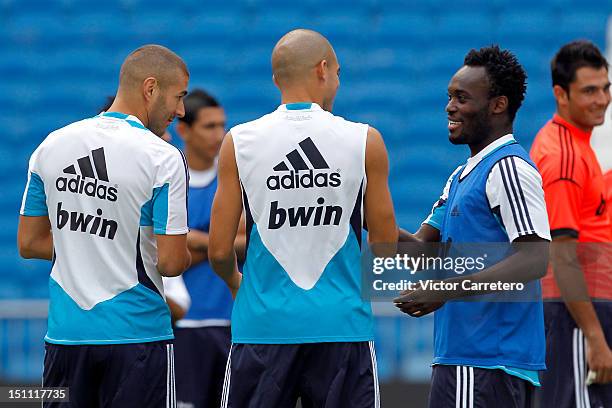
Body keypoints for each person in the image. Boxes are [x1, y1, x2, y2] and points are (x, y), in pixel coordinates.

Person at [208, 29, 398, 408]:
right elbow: (384, 248)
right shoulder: (364, 140)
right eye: (339, 72)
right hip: (342, 328)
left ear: (277, 78)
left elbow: (218, 249)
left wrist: (235, 282)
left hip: (262, 328)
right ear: (323, 69)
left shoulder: (239, 141)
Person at [17, 44, 192, 407]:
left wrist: (88, 244)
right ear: (150, 88)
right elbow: (172, 263)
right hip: (137, 338)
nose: (181, 110)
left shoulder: (51, 145)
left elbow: (29, 242)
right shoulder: (162, 157)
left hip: (66, 338)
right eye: (178, 97)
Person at [394, 46, 551, 407]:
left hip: (487, 363)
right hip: (464, 361)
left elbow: (534, 258)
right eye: (449, 97)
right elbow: (420, 252)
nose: (450, 107)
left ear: (498, 105)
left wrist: (445, 290)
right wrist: (365, 207)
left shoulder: (508, 168)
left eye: (462, 98)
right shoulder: (460, 177)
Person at [530, 40, 612, 407]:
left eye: (606, 88)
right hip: (575, 317)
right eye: (589, 91)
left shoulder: (578, 145)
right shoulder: (563, 158)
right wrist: (594, 338)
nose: (601, 99)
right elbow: (562, 257)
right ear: (561, 94)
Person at [170, 89, 245, 408]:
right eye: (210, 126)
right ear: (184, 129)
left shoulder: (233, 177)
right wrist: (218, 243)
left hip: (232, 322)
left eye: (222, 125)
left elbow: (246, 240)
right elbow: (162, 254)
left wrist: (188, 241)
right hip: (184, 327)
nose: (220, 134)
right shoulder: (169, 175)